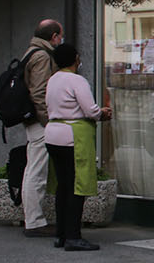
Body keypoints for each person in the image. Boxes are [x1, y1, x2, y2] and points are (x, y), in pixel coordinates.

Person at [43, 43, 110, 251]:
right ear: (75, 59)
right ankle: (73, 236)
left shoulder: (52, 80)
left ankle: (61, 234)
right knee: (76, 186)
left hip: (52, 134)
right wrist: (103, 113)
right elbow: (90, 110)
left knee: (62, 186)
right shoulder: (76, 80)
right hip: (72, 136)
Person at [21, 20, 62, 238]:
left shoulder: (31, 52)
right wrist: (48, 121)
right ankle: (34, 222)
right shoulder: (42, 56)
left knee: (32, 169)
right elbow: (39, 93)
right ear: (54, 36)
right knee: (36, 171)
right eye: (59, 36)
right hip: (39, 121)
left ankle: (32, 218)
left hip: (33, 119)